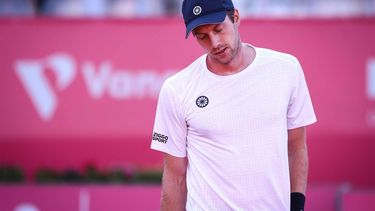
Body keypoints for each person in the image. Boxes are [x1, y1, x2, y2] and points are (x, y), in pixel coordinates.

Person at [151, 0, 317, 210]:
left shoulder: (286, 69)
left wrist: (297, 206)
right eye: (202, 36)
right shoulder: (176, 89)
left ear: (236, 17)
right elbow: (174, 178)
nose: (214, 42)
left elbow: (296, 147)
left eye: (218, 29)